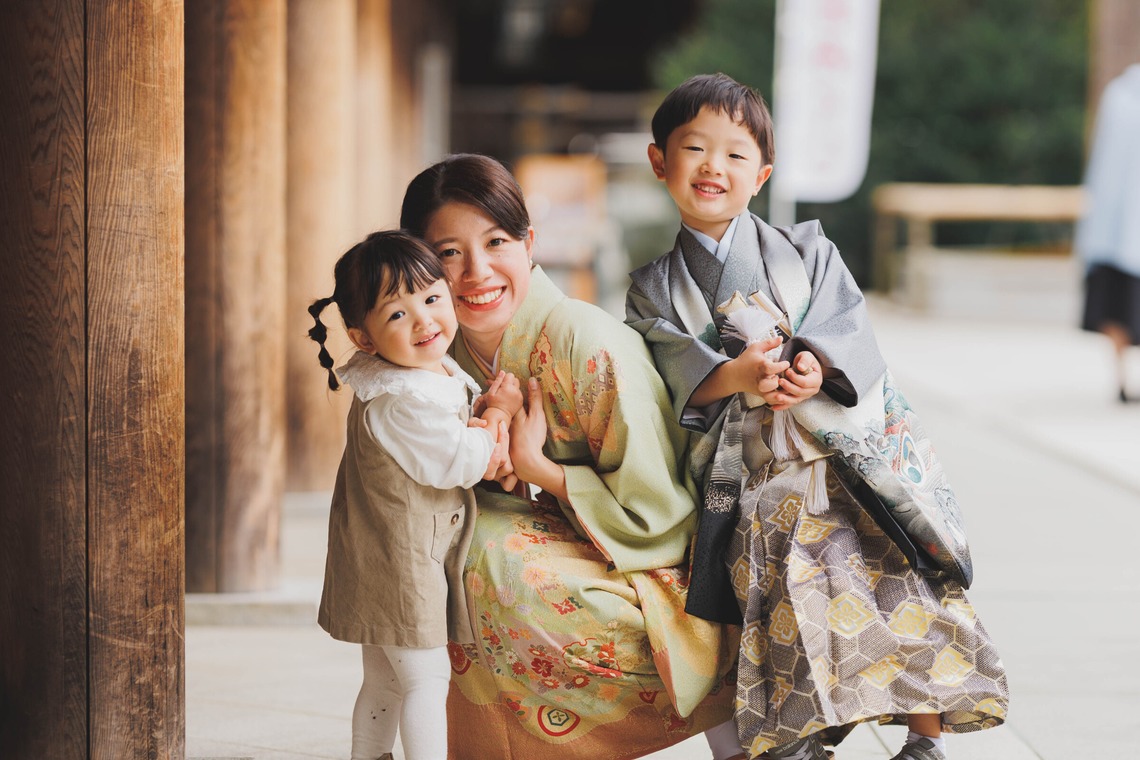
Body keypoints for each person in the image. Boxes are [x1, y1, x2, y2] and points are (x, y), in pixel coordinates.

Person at [625, 73, 1009, 760]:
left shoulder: (806, 250)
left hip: (841, 464)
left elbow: (846, 326)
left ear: (762, 174)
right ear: (660, 162)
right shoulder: (653, 287)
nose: (714, 166)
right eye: (694, 148)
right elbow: (664, 367)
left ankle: (926, 741)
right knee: (789, 606)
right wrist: (732, 377)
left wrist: (815, 364)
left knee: (898, 580)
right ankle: (801, 736)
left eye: (736, 154)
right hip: (754, 482)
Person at [399, 153, 743, 760]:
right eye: (448, 252)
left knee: (490, 564)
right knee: (449, 554)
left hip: (656, 572)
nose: (476, 272)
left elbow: (661, 518)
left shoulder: (586, 343)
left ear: (530, 243)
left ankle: (716, 708)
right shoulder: (437, 356)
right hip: (565, 545)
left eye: (497, 241)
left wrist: (542, 472)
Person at [307, 230, 524, 760]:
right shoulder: (402, 399)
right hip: (401, 565)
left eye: (431, 299)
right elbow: (460, 462)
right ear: (364, 338)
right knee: (427, 680)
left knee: (384, 681)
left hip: (381, 556)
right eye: (398, 315)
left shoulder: (411, 375)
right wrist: (496, 414)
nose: (425, 320)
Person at [1076, 63, 1140, 403]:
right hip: (1117, 230)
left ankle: (1123, 380)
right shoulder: (1119, 96)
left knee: (1119, 308)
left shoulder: (1119, 95)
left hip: (1114, 230)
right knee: (1119, 307)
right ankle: (1122, 380)